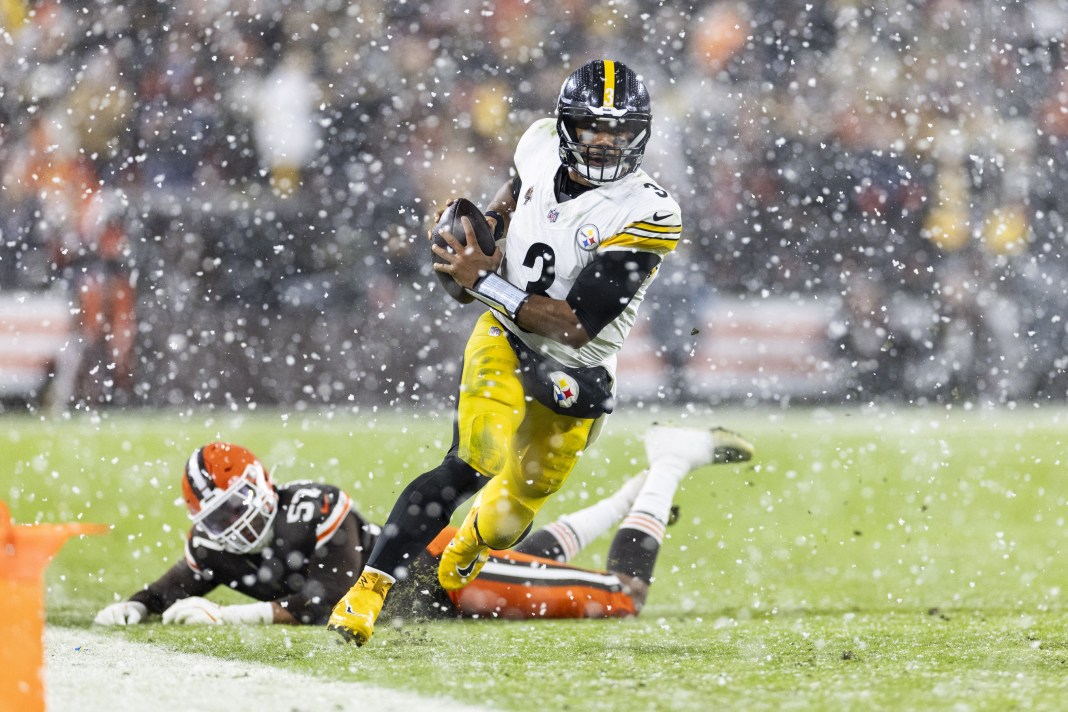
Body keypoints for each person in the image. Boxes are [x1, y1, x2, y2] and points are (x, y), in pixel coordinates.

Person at [327, 58, 684, 645]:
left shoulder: (650, 212)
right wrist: (479, 231)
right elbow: (511, 201)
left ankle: (469, 541)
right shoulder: (540, 143)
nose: (606, 142)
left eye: (619, 131)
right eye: (593, 127)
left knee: (507, 517)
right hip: (506, 336)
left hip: (578, 370)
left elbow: (575, 326)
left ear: (640, 133)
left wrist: (482, 279)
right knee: (473, 459)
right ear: (564, 125)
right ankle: (369, 589)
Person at [94, 425, 752, 627]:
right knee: (537, 561)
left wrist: (229, 618)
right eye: (221, 516)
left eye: (239, 504)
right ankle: (631, 497)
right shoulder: (217, 550)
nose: (235, 523)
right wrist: (136, 605)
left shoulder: (313, 509)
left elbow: (329, 602)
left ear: (264, 488)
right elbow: (177, 585)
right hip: (446, 588)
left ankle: (668, 461)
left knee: (621, 599)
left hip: (445, 575)